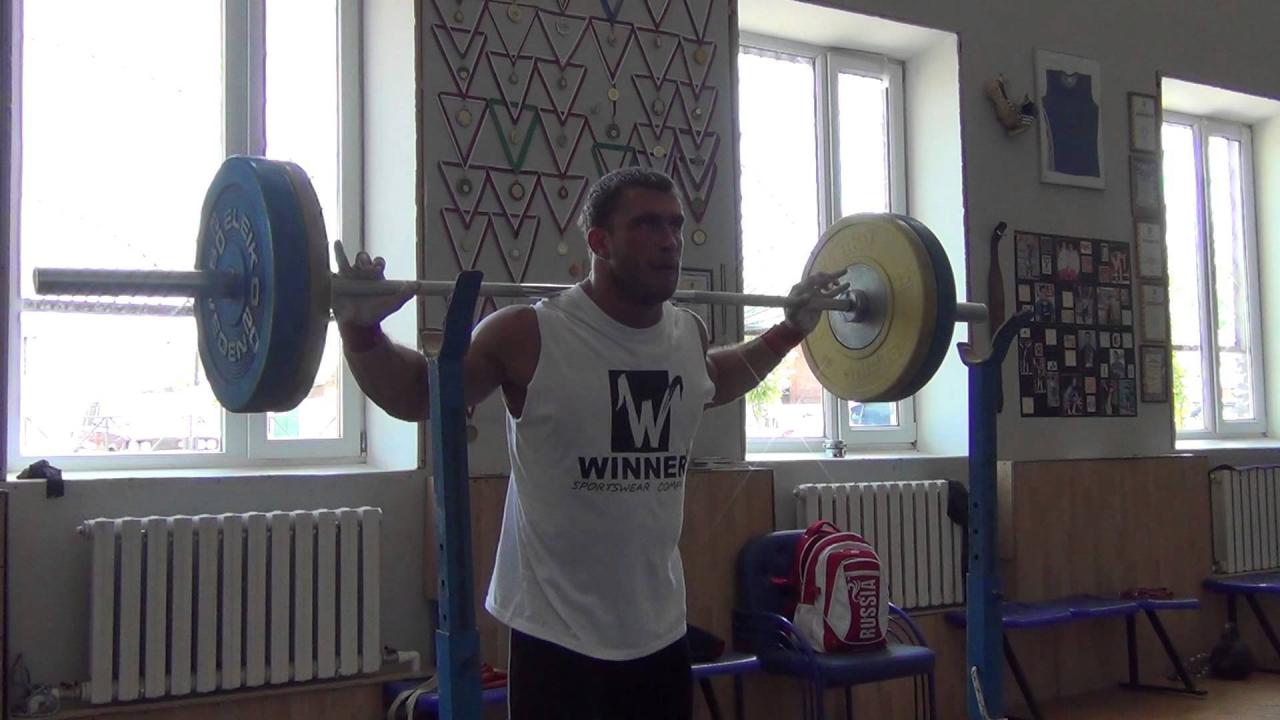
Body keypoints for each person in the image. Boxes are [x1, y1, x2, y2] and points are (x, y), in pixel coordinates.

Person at [332, 167, 844, 719]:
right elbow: (419, 394)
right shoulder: (529, 334)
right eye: (647, 224)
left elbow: (715, 379)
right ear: (599, 242)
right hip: (556, 634)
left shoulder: (686, 334)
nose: (669, 240)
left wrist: (790, 330)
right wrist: (361, 332)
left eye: (674, 225)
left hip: (659, 630)